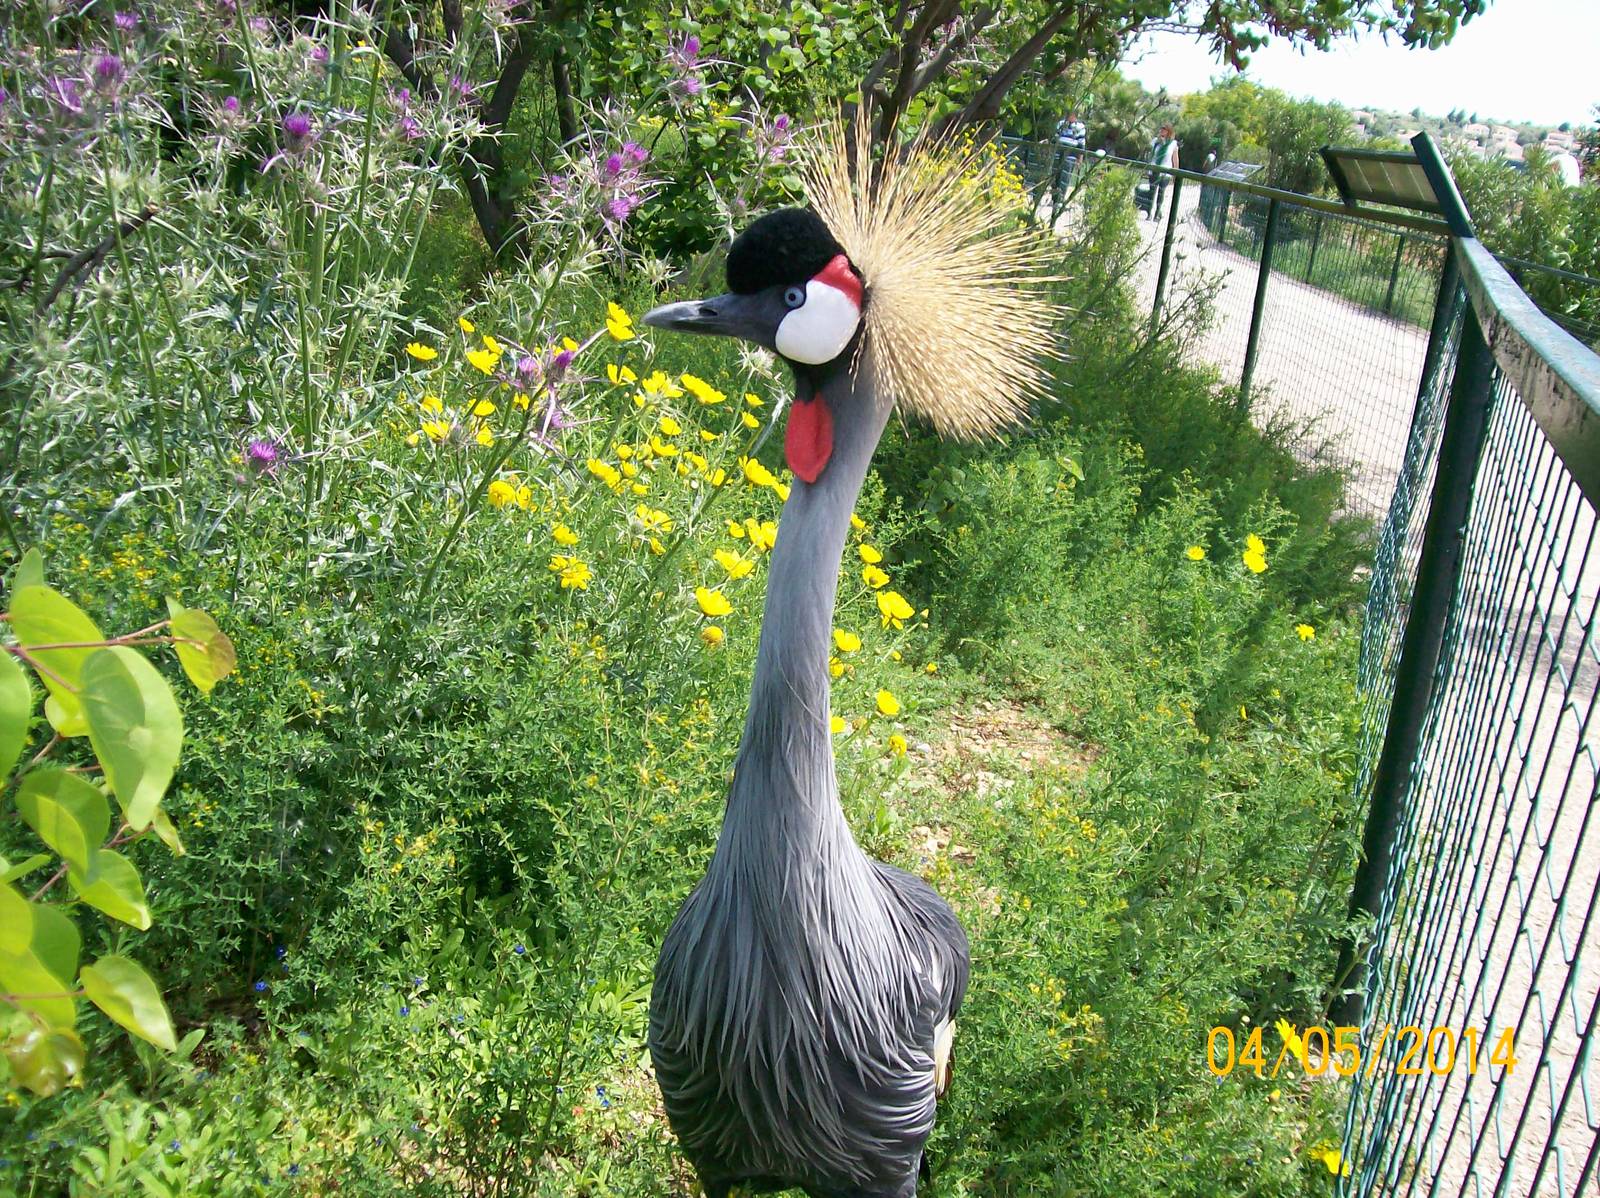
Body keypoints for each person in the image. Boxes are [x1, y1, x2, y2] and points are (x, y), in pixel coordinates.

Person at [1148, 123, 1179, 221]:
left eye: (1164, 129)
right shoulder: (1155, 141)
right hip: (1154, 169)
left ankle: (1157, 213)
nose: (1162, 130)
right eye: (1161, 128)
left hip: (1165, 172)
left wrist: (1175, 173)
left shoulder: (1173, 144)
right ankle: (1149, 213)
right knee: (1152, 191)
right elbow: (1150, 155)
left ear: (1169, 131)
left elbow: (1175, 159)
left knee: (1161, 192)